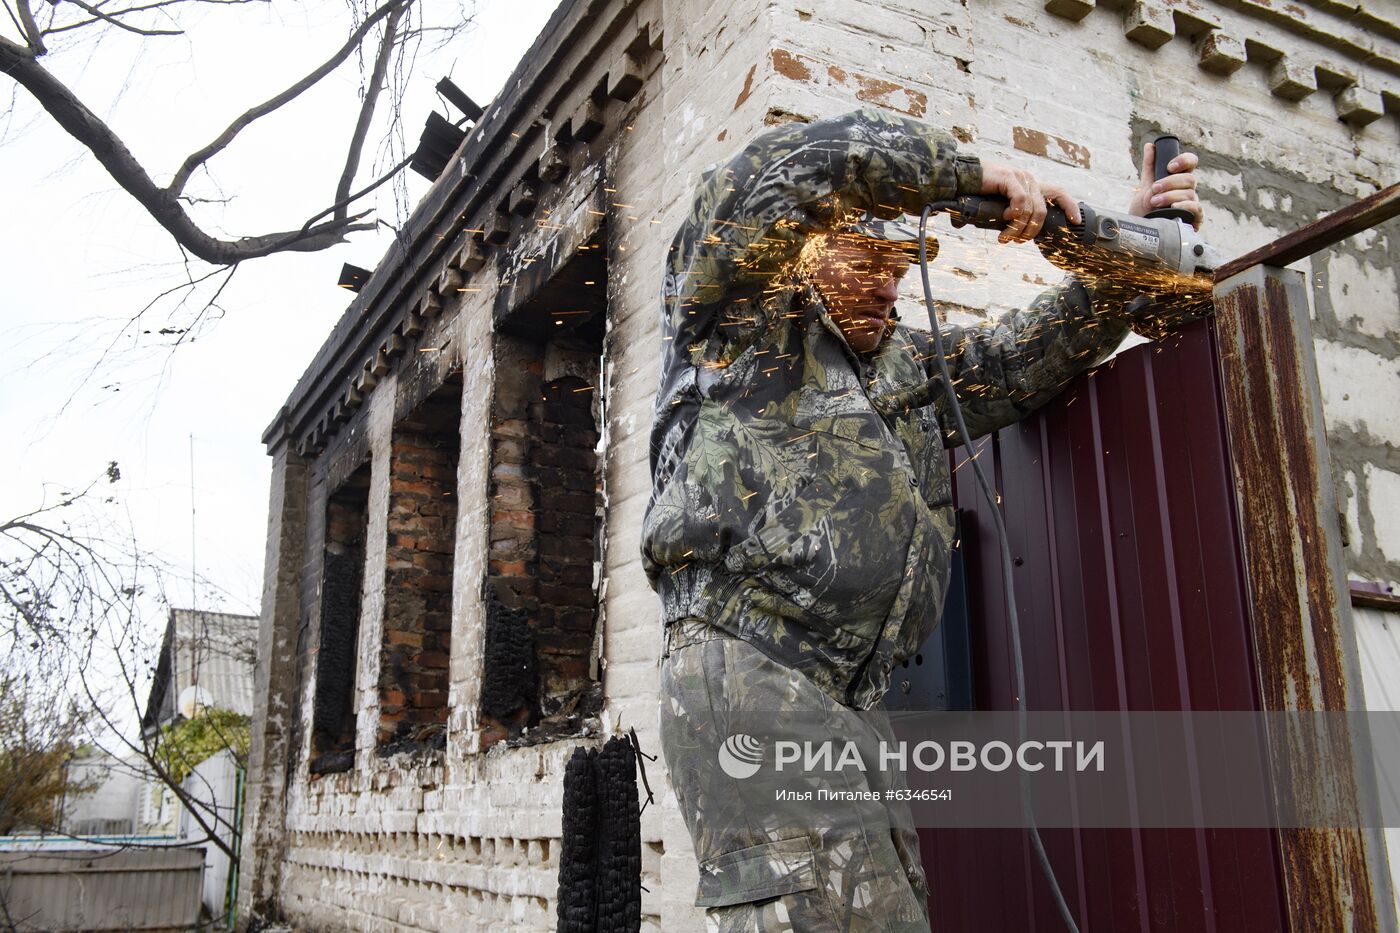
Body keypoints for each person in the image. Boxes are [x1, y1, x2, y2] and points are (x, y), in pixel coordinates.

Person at [642, 108, 1204, 931]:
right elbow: (787, 164)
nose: (888, 282)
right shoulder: (740, 315)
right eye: (865, 258)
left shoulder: (902, 368)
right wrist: (964, 176)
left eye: (902, 262)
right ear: (805, 250)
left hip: (851, 697)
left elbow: (1022, 357)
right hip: (750, 669)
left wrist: (1132, 253)